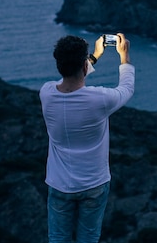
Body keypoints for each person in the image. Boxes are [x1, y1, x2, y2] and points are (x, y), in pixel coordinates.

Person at [40, 33, 134, 243]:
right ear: (83, 66)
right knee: (89, 238)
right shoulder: (100, 99)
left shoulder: (46, 93)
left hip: (59, 184)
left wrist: (94, 56)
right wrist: (124, 57)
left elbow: (68, 80)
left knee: (57, 238)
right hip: (94, 184)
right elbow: (127, 88)